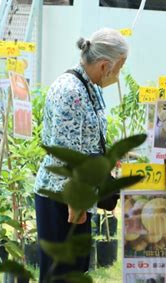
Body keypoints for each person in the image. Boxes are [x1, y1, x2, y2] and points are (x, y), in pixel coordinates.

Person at [34, 28, 128, 282]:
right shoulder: (70, 91)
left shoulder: (90, 87)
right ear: (104, 65)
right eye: (118, 69)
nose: (117, 76)